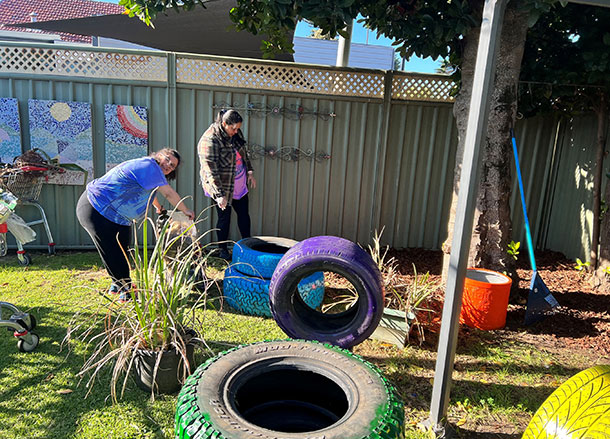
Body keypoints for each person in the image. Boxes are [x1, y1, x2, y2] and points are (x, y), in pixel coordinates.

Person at [76, 148, 195, 301]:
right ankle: (126, 291)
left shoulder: (152, 174)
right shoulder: (150, 166)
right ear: (159, 155)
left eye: (172, 166)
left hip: (117, 217)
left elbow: (151, 193)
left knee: (123, 248)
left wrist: (158, 207)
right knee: (113, 251)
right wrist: (185, 210)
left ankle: (117, 284)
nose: (168, 166)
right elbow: (169, 193)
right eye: (167, 160)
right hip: (97, 208)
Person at [198, 109, 256, 260]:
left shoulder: (234, 134)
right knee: (224, 218)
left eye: (238, 128)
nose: (236, 132)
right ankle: (222, 249)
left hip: (239, 183)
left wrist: (249, 171)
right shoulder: (210, 140)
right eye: (233, 128)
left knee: (244, 215)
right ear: (224, 124)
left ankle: (248, 247)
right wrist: (219, 195)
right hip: (222, 186)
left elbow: (244, 152)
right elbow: (210, 170)